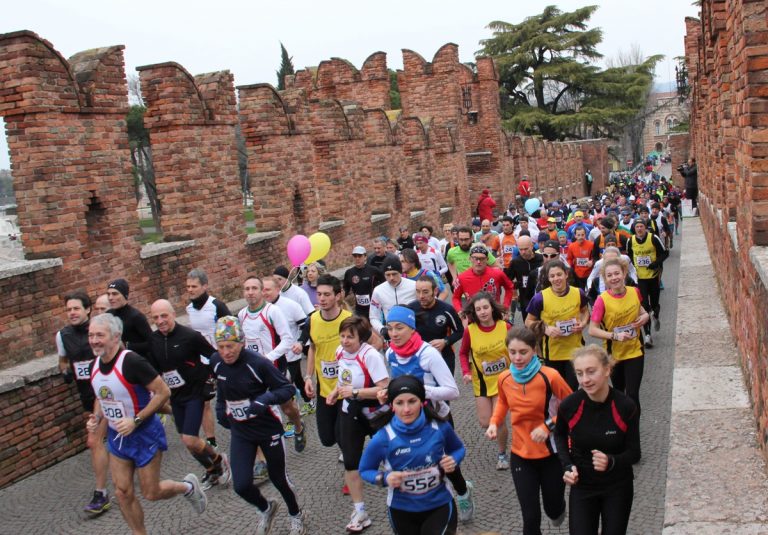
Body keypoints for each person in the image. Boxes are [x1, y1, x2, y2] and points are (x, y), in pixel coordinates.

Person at [87, 313, 207, 535]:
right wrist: (96, 418)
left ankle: (187, 487)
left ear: (115, 337)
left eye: (100, 335)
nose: (94, 340)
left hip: (144, 434)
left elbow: (163, 392)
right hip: (118, 437)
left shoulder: (132, 362)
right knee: (122, 492)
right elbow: (102, 396)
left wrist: (135, 421)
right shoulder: (94, 365)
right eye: (91, 335)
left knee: (151, 492)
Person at [211, 316, 307, 535]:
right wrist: (220, 408)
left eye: (230, 346)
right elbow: (222, 388)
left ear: (242, 342)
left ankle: (296, 514)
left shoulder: (257, 363)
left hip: (267, 428)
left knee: (278, 478)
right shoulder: (216, 361)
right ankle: (266, 508)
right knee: (241, 485)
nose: (226, 352)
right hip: (241, 431)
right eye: (221, 347)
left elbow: (286, 389)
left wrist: (264, 400)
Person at [379, 306, 474, 523]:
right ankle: (428, 505)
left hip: (436, 417)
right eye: (390, 328)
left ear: (412, 329)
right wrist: (390, 392)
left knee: (446, 463)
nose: (394, 333)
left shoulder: (427, 354)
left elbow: (453, 391)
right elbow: (397, 383)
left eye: (399, 328)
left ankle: (462, 492)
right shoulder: (391, 353)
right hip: (407, 418)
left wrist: (421, 391)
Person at [487, 326, 572, 535]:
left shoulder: (550, 376)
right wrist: (494, 422)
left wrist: (548, 426)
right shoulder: (504, 378)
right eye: (512, 352)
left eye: (523, 352)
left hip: (551, 454)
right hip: (521, 455)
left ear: (534, 350)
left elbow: (573, 408)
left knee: (553, 509)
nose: (517, 358)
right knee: (530, 517)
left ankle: (558, 508)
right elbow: (502, 402)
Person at [360, 375, 465, 535]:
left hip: (440, 504)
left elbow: (458, 448)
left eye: (412, 401)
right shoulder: (383, 438)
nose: (406, 409)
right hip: (401, 510)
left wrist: (454, 459)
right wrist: (384, 478)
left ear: (422, 402)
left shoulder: (440, 427)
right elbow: (365, 469)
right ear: (392, 406)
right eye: (399, 403)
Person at [554, 345, 640, 535]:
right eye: (579, 373)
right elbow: (559, 435)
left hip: (617, 487)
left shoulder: (626, 406)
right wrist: (567, 466)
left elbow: (634, 453)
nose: (585, 379)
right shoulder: (570, 405)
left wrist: (611, 461)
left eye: (591, 371)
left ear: (607, 370)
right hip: (583, 487)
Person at [147, 300, 231, 490]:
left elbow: (213, 356)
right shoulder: (153, 340)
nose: (160, 321)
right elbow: (154, 368)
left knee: (190, 438)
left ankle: (219, 459)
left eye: (164, 316)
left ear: (173, 314)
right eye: (155, 318)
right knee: (188, 442)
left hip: (195, 392)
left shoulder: (190, 336)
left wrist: (212, 379)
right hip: (175, 396)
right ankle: (212, 469)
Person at [326, 316, 389, 533]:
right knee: (351, 461)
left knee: (391, 456)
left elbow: (384, 388)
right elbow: (343, 380)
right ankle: (360, 511)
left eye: (349, 337)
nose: (344, 341)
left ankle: (403, 496)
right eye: (342, 336)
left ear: (360, 338)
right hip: (350, 412)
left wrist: (355, 392)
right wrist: (335, 392)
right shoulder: (339, 352)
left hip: (375, 413)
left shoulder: (370, 355)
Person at [56, 290, 111, 515]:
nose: (72, 313)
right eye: (68, 309)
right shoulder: (62, 335)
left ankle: (101, 493)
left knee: (94, 440)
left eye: (76, 308)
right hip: (87, 395)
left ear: (87, 309)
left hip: (107, 393)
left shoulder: (100, 330)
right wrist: (65, 371)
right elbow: (62, 360)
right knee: (108, 438)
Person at [237, 276, 306, 452]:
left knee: (287, 408)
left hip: (275, 368)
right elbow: (243, 342)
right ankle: (266, 453)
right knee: (259, 410)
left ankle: (299, 426)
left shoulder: (272, 311)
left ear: (261, 291)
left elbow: (287, 339)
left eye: (254, 288)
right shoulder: (242, 315)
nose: (250, 292)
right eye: (247, 289)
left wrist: (268, 358)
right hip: (253, 373)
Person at [459, 292, 512, 470]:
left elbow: (516, 348)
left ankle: (502, 454)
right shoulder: (470, 330)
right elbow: (463, 353)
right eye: (478, 309)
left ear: (492, 308)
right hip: (481, 381)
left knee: (498, 420)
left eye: (485, 308)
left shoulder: (505, 327)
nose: (482, 312)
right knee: (485, 421)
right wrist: (466, 372)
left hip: (503, 380)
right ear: (474, 312)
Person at [588, 258, 650, 411]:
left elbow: (642, 312)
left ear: (624, 273)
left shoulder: (634, 292)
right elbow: (592, 330)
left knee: (633, 394)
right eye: (609, 275)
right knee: (619, 394)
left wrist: (645, 317)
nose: (614, 278)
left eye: (617, 273)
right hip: (614, 354)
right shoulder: (601, 300)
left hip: (635, 350)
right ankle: (621, 422)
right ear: (605, 279)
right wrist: (615, 336)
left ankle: (633, 424)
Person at [525, 260, 589, 390]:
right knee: (556, 390)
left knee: (571, 389)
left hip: (575, 350)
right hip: (553, 353)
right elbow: (528, 322)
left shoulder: (578, 293)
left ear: (566, 274)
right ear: (548, 278)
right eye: (552, 276)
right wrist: (546, 329)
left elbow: (585, 311)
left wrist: (582, 323)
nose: (556, 279)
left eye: (559, 274)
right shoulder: (540, 298)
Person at [185, 267, 231, 451]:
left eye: (194, 286)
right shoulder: (189, 309)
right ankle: (211, 440)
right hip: (203, 363)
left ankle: (241, 428)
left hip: (221, 359)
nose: (190, 290)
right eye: (188, 287)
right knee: (204, 402)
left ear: (204, 286)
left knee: (231, 396)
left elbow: (231, 329)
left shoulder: (217, 306)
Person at [262, 276, 312, 415]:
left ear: (278, 289)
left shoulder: (291, 305)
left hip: (290, 354)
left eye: (268, 290)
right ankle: (309, 401)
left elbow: (306, 326)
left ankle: (293, 419)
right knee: (297, 379)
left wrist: (300, 342)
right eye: (262, 290)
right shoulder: (260, 309)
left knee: (286, 386)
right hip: (270, 357)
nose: (264, 293)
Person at [407, 276, 464, 375]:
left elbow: (460, 331)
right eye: (418, 291)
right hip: (419, 356)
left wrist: (445, 341)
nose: (421, 296)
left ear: (435, 291)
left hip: (444, 356)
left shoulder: (447, 310)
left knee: (446, 384)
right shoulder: (410, 309)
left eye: (425, 292)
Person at [625, 219, 667, 349]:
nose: (639, 229)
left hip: (653, 276)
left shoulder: (653, 238)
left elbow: (665, 253)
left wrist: (656, 263)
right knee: (644, 306)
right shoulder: (630, 240)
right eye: (637, 227)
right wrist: (633, 270)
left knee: (654, 304)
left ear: (645, 227)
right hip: (640, 278)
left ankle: (656, 315)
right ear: (634, 228)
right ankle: (648, 335)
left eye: (641, 226)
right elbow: (629, 256)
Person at [451, 245, 514, 318]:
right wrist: (460, 311)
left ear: (487, 259)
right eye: (475, 258)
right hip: (473, 317)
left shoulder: (497, 274)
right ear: (470, 259)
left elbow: (509, 288)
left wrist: (505, 306)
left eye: (482, 259)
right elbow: (455, 297)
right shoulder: (462, 278)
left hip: (495, 316)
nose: (478, 262)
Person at [369, 256, 417, 338]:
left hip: (413, 333)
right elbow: (373, 316)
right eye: (388, 275)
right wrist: (381, 329)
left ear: (401, 272)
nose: (391, 278)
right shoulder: (378, 291)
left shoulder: (414, 285)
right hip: (392, 335)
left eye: (394, 274)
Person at [106, 278, 152, 358]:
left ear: (125, 295)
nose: (110, 297)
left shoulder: (136, 316)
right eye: (108, 294)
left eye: (115, 294)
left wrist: (127, 346)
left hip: (137, 361)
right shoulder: (108, 315)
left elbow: (152, 343)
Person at [505, 236, 544, 323]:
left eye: (526, 249)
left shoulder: (541, 259)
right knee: (528, 325)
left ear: (532, 246)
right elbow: (507, 280)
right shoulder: (516, 262)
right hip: (525, 299)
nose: (523, 252)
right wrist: (515, 285)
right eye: (520, 249)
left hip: (542, 297)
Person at [343, 245, 382, 318]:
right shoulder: (349, 272)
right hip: (359, 310)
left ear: (365, 257)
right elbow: (345, 289)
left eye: (360, 256)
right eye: (355, 256)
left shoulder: (373, 270)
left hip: (375, 307)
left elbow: (384, 283)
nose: (357, 258)